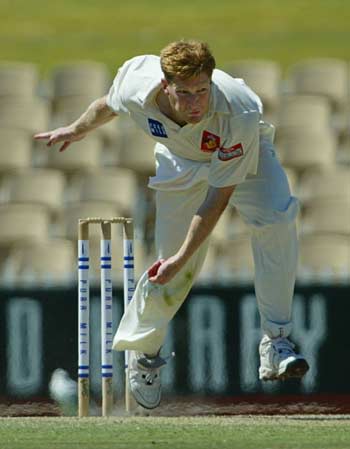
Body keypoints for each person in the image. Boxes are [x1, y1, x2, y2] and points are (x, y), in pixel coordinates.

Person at [35, 40, 309, 410]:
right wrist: (76, 128)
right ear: (165, 85)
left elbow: (218, 196)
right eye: (184, 93)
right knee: (170, 271)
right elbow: (107, 105)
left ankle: (275, 343)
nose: (196, 102)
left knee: (277, 216)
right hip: (180, 163)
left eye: (202, 90)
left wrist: (184, 255)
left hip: (244, 153)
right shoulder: (136, 84)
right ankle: (144, 353)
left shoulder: (237, 111)